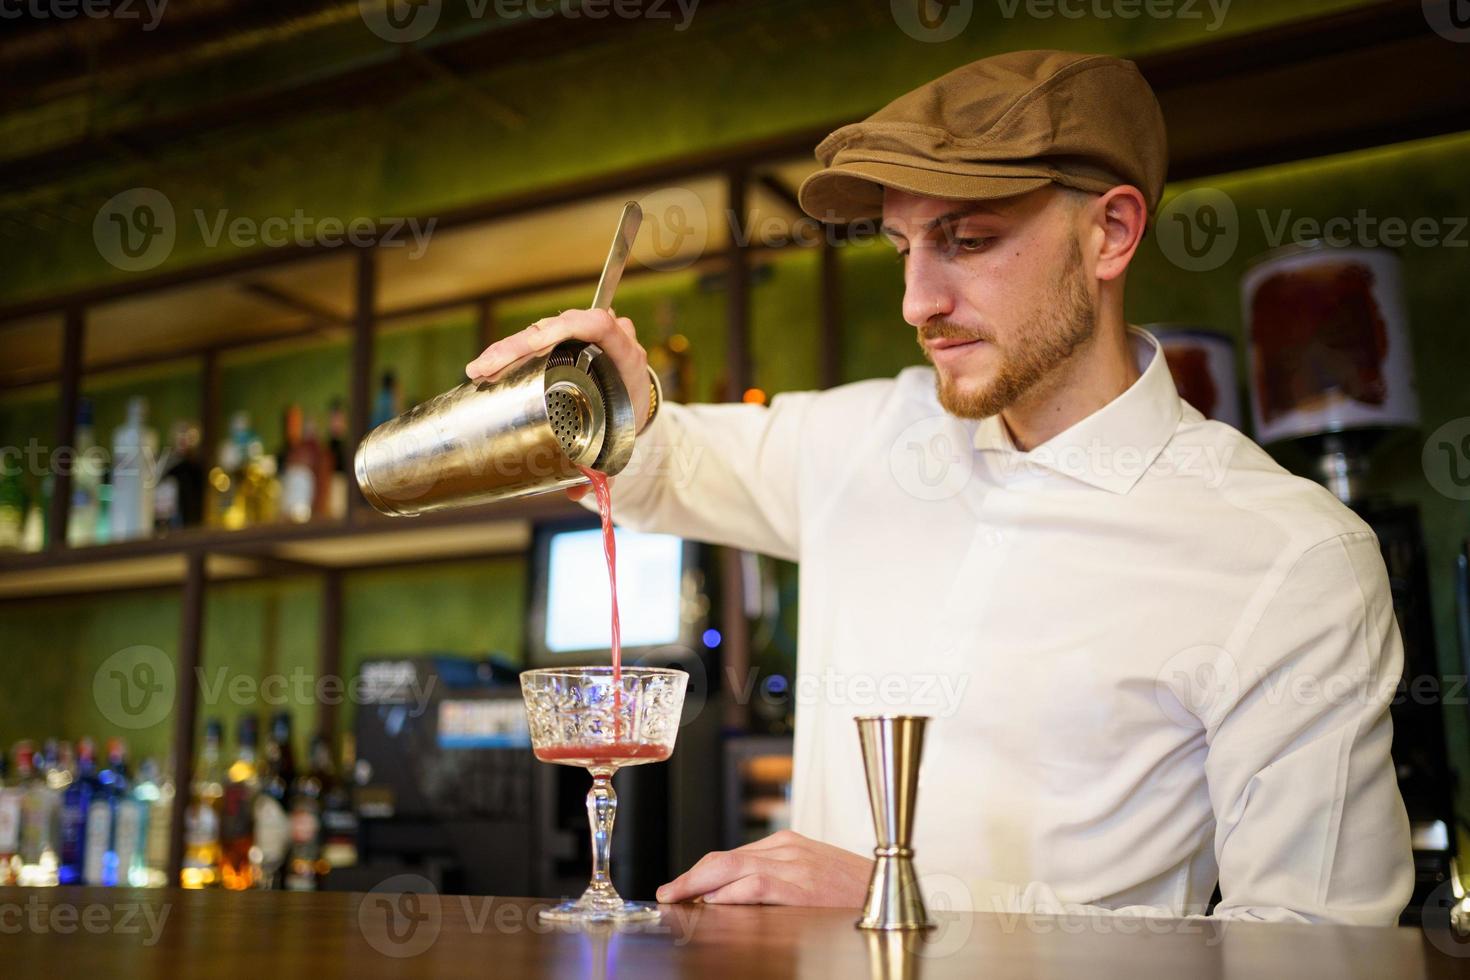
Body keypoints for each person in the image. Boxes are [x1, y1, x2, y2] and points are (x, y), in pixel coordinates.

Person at [466, 50, 1413, 924]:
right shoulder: (865, 437)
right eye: (901, 247)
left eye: (966, 239)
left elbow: (1314, 947)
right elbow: (651, 461)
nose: (919, 300)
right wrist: (597, 399)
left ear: (1111, 233)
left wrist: (904, 902)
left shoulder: (1289, 558)